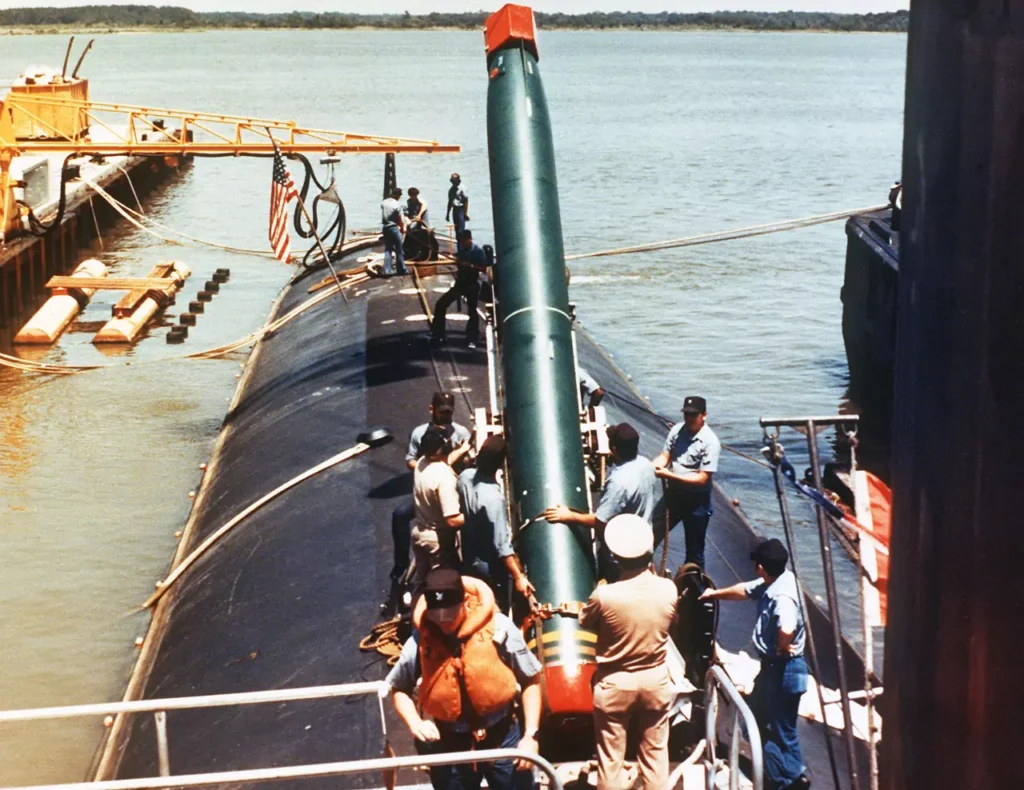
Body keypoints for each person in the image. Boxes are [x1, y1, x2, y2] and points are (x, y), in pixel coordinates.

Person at [388, 567, 542, 790]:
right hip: (450, 744)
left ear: (465, 602)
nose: (443, 623)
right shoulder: (422, 639)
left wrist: (531, 736)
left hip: (503, 738)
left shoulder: (499, 628)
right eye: (437, 617)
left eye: (449, 616)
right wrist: (415, 722)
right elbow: (399, 687)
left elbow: (530, 680)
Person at [699, 538, 810, 790]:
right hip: (783, 670)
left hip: (782, 670)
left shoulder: (782, 594)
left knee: (753, 727)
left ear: (760, 567)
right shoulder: (780, 579)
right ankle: (796, 777)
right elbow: (745, 590)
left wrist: (783, 643)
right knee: (786, 732)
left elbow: (788, 625)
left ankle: (787, 779)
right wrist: (714, 593)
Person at [579, 514, 679, 790]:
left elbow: (585, 622)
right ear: (648, 553)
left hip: (615, 683)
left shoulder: (605, 595)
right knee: (656, 755)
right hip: (655, 681)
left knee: (610, 760)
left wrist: (600, 589)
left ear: (614, 556)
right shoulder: (668, 588)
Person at [541, 423, 659, 580]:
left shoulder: (619, 482)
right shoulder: (647, 465)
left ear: (614, 449)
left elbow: (600, 520)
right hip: (642, 548)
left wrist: (569, 516)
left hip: (620, 557)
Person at [392, 392, 473, 581]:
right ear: (432, 410)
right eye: (442, 412)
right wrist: (432, 472)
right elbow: (411, 461)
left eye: (449, 412)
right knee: (400, 514)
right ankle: (401, 565)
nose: (446, 416)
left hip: (451, 489)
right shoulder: (420, 435)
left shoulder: (460, 433)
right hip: (432, 489)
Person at [457, 436, 534, 609]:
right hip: (488, 564)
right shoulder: (494, 499)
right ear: (500, 463)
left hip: (469, 554)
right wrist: (519, 578)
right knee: (494, 608)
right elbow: (502, 547)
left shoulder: (464, 477)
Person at [652, 395, 721, 570]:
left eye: (693, 415)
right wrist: (651, 468)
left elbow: (702, 478)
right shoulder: (676, 431)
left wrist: (669, 475)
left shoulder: (710, 442)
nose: (689, 418)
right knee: (651, 533)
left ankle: (695, 586)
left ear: (703, 415)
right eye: (686, 414)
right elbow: (664, 456)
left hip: (696, 502)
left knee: (695, 552)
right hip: (673, 496)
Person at [409, 426, 465, 591]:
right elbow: (453, 520)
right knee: (442, 584)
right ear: (441, 449)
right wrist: (474, 515)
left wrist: (462, 449)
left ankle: (413, 603)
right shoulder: (444, 479)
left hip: (420, 534)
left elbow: (442, 462)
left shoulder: (421, 463)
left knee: (421, 578)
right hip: (438, 542)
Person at [430, 230, 490, 348]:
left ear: (469, 239)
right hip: (460, 285)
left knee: (472, 312)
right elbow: (460, 262)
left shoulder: (478, 252)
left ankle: (472, 338)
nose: (461, 243)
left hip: (472, 285)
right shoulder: (462, 250)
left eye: (463, 241)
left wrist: (470, 265)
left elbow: (484, 268)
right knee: (441, 304)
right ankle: (438, 334)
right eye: (460, 241)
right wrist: (458, 262)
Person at [381, 186, 408, 276]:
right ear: (398, 195)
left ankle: (387, 270)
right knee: (399, 249)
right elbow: (400, 219)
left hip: (385, 228)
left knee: (388, 249)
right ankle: (401, 269)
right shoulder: (397, 204)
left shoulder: (384, 202)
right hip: (393, 228)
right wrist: (403, 227)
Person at [446, 172, 469, 239]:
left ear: (458, 180)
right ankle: (459, 246)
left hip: (461, 210)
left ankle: (463, 246)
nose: (453, 182)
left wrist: (465, 213)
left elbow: (466, 201)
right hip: (455, 210)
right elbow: (450, 202)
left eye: (454, 180)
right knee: (456, 230)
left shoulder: (462, 189)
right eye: (452, 181)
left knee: (461, 231)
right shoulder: (451, 190)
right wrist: (447, 213)